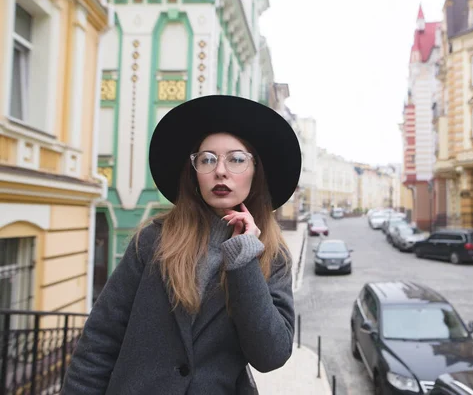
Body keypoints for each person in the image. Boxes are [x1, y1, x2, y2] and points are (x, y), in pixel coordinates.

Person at [61, 95, 302, 395]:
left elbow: (271, 354)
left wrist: (244, 260)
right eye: (207, 159)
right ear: (194, 172)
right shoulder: (153, 241)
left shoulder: (273, 256)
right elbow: (100, 341)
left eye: (237, 159)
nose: (221, 171)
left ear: (256, 171)